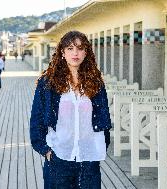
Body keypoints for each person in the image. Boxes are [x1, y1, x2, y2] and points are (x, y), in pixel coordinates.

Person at [30, 31, 111, 189]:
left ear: (86, 52)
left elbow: (104, 118)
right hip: (59, 157)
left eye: (80, 48)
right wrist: (45, 150)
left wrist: (101, 146)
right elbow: (37, 119)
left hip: (89, 160)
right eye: (70, 48)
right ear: (62, 52)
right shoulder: (48, 83)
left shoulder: (95, 83)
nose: (75, 53)